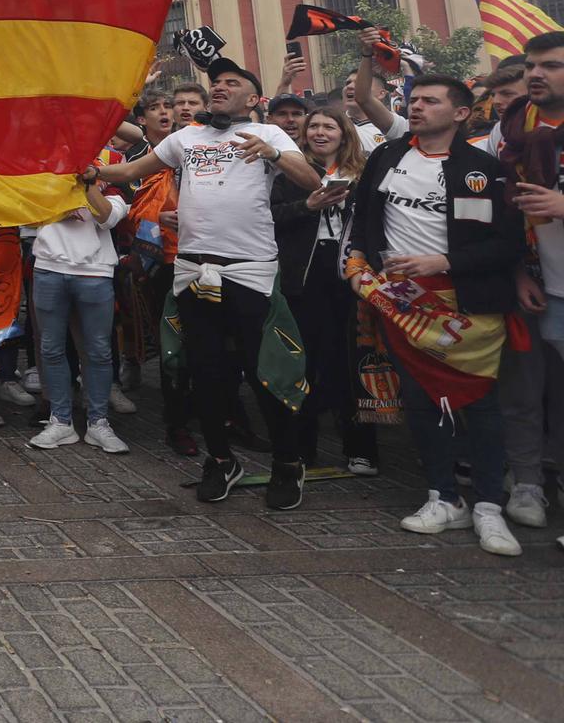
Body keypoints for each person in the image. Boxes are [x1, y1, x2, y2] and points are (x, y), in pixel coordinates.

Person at [97, 57, 320, 508]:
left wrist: (273, 153)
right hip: (194, 270)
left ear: (253, 98)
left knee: (265, 374)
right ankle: (220, 460)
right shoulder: (186, 138)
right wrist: (87, 169)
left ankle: (288, 463)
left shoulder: (270, 133)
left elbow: (311, 180)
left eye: (231, 83)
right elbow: (127, 174)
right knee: (206, 373)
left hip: (250, 271)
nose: (219, 87)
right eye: (215, 81)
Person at [349, 75, 525, 556]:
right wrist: (358, 261)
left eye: (430, 101)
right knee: (422, 401)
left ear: (462, 113)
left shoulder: (485, 170)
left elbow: (507, 244)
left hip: (466, 305)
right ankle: (444, 497)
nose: (418, 107)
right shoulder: (387, 157)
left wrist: (443, 262)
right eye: (414, 100)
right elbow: (362, 217)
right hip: (402, 303)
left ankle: (489, 503)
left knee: (480, 405)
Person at [269, 106, 378, 476]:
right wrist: (307, 205)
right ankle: (302, 448)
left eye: (328, 126)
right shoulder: (292, 173)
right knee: (305, 363)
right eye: (312, 125)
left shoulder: (364, 175)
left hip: (350, 276)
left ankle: (361, 448)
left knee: (351, 363)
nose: (319, 132)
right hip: (304, 278)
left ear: (344, 133)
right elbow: (271, 219)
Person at [486, 31, 564, 537]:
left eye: (552, 66)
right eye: (533, 66)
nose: (537, 74)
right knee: (522, 391)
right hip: (532, 281)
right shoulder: (508, 130)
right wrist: (515, 270)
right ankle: (529, 483)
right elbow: (494, 211)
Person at [28, 172, 131, 453]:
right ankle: (61, 421)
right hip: (49, 268)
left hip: (95, 274)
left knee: (98, 351)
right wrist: (60, 209)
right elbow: (24, 212)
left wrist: (88, 185)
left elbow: (107, 217)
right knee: (51, 348)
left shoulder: (109, 174)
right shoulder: (44, 175)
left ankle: (98, 423)